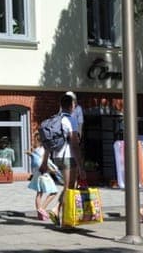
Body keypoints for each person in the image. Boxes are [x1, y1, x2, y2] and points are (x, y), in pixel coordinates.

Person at [39, 93, 82, 223]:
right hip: (68, 156)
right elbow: (74, 144)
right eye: (74, 104)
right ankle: (58, 212)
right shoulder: (70, 120)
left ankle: (59, 212)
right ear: (71, 106)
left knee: (68, 186)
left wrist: (45, 161)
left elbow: (48, 144)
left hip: (56, 156)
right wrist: (81, 166)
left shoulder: (55, 120)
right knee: (70, 188)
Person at [26, 131, 59, 220]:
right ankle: (42, 209)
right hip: (44, 174)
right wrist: (52, 170)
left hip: (37, 174)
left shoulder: (35, 150)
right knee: (54, 192)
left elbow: (36, 162)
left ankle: (40, 214)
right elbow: (45, 163)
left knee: (39, 193)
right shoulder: (44, 150)